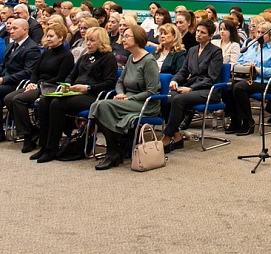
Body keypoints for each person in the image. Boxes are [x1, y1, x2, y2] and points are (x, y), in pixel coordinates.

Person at [32, 27, 117, 163]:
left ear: (101, 41)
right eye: (87, 40)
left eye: (92, 40)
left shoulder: (108, 58)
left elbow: (109, 83)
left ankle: (52, 148)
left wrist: (87, 88)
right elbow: (71, 76)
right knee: (44, 100)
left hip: (93, 95)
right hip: (75, 92)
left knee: (57, 104)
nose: (88, 43)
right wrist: (67, 84)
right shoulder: (84, 57)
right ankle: (44, 145)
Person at [90, 23, 162, 170]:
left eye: (127, 36)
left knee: (102, 105)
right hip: (128, 99)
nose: (123, 39)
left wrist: (129, 98)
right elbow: (120, 82)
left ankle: (113, 152)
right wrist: (121, 93)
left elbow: (151, 91)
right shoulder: (130, 58)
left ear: (137, 39)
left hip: (145, 103)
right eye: (123, 36)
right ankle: (114, 151)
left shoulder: (149, 61)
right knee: (97, 105)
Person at [6, 22, 76, 152]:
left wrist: (38, 84)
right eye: (47, 36)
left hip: (50, 87)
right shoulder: (46, 53)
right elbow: (35, 71)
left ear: (61, 38)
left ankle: (27, 137)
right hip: (38, 85)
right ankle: (32, 130)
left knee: (18, 99)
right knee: (9, 98)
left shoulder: (67, 56)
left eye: (51, 36)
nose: (48, 39)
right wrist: (32, 82)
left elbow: (61, 77)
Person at [161, 20, 225, 149]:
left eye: (203, 32)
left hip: (208, 90)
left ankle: (167, 137)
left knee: (178, 99)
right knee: (167, 97)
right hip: (192, 86)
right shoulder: (192, 50)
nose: (198, 34)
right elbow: (183, 71)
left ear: (210, 35)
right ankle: (177, 135)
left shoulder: (216, 51)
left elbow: (211, 78)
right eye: (197, 31)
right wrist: (175, 80)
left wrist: (190, 88)